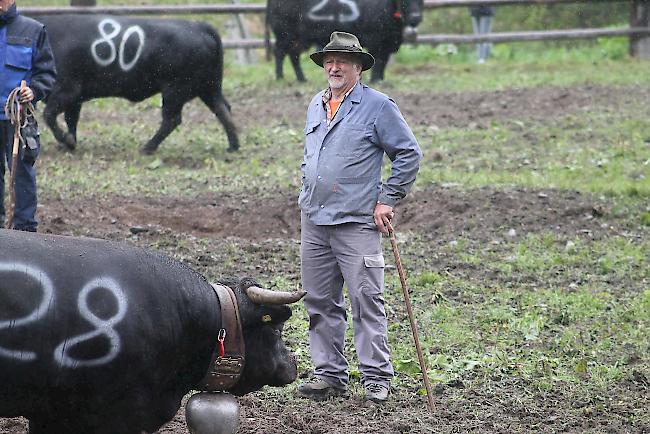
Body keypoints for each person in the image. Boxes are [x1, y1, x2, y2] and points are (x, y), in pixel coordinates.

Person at [296, 31, 422, 403]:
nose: (334, 67)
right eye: (329, 61)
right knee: (319, 301)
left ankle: (376, 379)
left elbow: (408, 153)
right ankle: (329, 375)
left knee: (366, 299)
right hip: (314, 219)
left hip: (356, 221)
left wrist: (388, 199)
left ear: (358, 68)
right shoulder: (316, 104)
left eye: (342, 62)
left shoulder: (379, 106)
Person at [0, 0, 56, 231]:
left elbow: (46, 73)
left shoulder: (33, 30)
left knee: (22, 174)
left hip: (18, 118)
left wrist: (33, 90)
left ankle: (24, 231)